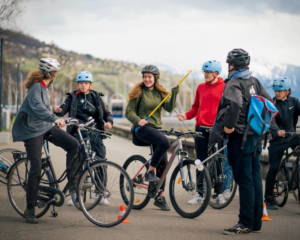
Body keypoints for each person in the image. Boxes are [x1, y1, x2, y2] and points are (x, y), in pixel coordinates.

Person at [12, 58, 85, 224]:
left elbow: (42, 109)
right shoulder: (36, 87)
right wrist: (54, 117)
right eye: (56, 73)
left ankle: (73, 181)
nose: (56, 75)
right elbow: (36, 106)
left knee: (73, 144)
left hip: (44, 126)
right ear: (51, 74)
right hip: (31, 131)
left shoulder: (45, 87)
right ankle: (30, 208)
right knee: (36, 168)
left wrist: (54, 112)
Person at [217, 49, 273, 234]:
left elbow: (233, 104)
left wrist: (229, 126)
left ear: (231, 65)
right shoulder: (254, 81)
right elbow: (268, 101)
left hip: (240, 137)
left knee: (244, 180)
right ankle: (255, 222)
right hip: (254, 136)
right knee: (256, 179)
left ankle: (245, 222)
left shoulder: (234, 82)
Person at [54, 71, 113, 206]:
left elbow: (107, 113)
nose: (83, 85)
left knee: (100, 160)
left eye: (86, 83)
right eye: (81, 83)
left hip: (95, 132)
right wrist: (58, 111)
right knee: (75, 162)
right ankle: (75, 194)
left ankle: (100, 193)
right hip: (78, 132)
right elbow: (63, 108)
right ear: (78, 84)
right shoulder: (72, 97)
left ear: (90, 85)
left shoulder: (96, 97)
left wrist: (109, 122)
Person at [125, 65, 179, 211]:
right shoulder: (138, 92)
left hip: (156, 128)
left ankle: (159, 196)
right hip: (142, 128)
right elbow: (128, 112)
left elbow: (168, 108)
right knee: (165, 142)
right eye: (145, 76)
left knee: (164, 165)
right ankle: (150, 170)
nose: (147, 79)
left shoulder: (160, 92)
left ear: (156, 78)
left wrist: (174, 94)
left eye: (150, 77)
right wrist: (138, 120)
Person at [177, 60, 226, 205]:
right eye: (204, 72)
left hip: (218, 129)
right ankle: (199, 193)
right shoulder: (200, 87)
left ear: (215, 74)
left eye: (207, 73)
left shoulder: (225, 87)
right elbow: (196, 107)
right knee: (200, 162)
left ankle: (219, 193)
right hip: (201, 128)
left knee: (218, 162)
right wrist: (186, 116)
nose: (205, 75)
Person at [264, 77, 300, 210]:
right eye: (275, 90)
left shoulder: (294, 101)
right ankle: (268, 197)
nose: (277, 93)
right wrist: (277, 131)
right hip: (277, 139)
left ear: (288, 91)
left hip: (291, 137)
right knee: (273, 168)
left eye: (280, 91)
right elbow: (270, 121)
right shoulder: (271, 103)